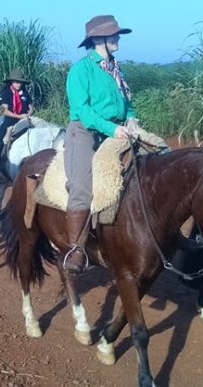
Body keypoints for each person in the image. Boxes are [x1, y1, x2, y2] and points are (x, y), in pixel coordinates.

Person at [63, 15, 140, 273]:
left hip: (116, 129)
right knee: (82, 185)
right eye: (113, 34)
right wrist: (113, 128)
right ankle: (76, 249)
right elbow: (82, 110)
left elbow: (127, 104)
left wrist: (132, 120)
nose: (118, 38)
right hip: (85, 131)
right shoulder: (80, 70)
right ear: (98, 40)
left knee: (156, 157)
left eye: (117, 34)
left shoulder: (116, 69)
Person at [0, 68, 34, 161]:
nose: (18, 84)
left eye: (20, 82)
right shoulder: (6, 93)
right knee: (0, 135)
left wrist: (29, 112)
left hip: (24, 118)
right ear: (11, 82)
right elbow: (5, 111)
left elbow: (30, 106)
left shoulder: (25, 93)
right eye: (16, 82)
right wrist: (19, 116)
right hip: (11, 118)